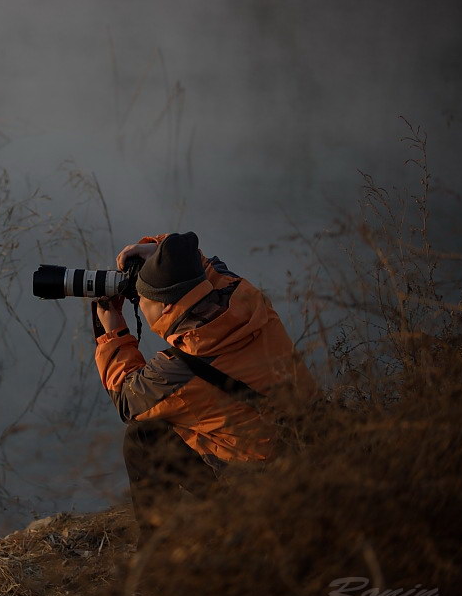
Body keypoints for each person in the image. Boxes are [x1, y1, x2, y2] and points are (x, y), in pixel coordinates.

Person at [92, 231, 317, 541]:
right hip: (304, 449)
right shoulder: (244, 295)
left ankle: (158, 552)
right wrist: (156, 251)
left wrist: (113, 332)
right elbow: (204, 265)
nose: (138, 301)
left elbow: (126, 401)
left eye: (142, 297)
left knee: (144, 435)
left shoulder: (181, 368)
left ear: (166, 309)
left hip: (258, 489)